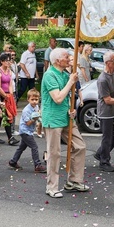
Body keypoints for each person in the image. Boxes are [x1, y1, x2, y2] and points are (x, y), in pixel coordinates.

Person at [42, 47, 88, 198]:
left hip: (67, 117)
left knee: (79, 146)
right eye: (66, 57)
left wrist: (72, 109)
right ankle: (52, 187)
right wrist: (70, 82)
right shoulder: (49, 75)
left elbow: (68, 97)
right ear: (57, 60)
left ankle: (74, 181)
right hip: (53, 119)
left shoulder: (65, 74)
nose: (69, 59)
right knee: (54, 153)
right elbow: (58, 98)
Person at [8, 88, 46, 172]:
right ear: (28, 99)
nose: (34, 101)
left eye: (36, 99)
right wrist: (34, 119)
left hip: (29, 131)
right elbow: (28, 123)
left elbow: (37, 116)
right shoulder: (26, 110)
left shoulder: (36, 107)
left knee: (21, 147)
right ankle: (37, 165)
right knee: (34, 147)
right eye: (32, 99)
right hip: (25, 131)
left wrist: (39, 119)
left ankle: (13, 161)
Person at [0, 53, 19, 146]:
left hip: (8, 95)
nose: (8, 62)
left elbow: (10, 84)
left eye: (9, 60)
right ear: (1, 62)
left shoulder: (9, 71)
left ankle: (9, 137)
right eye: (6, 60)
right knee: (2, 116)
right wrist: (5, 96)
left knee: (7, 116)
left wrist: (10, 95)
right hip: (0, 95)